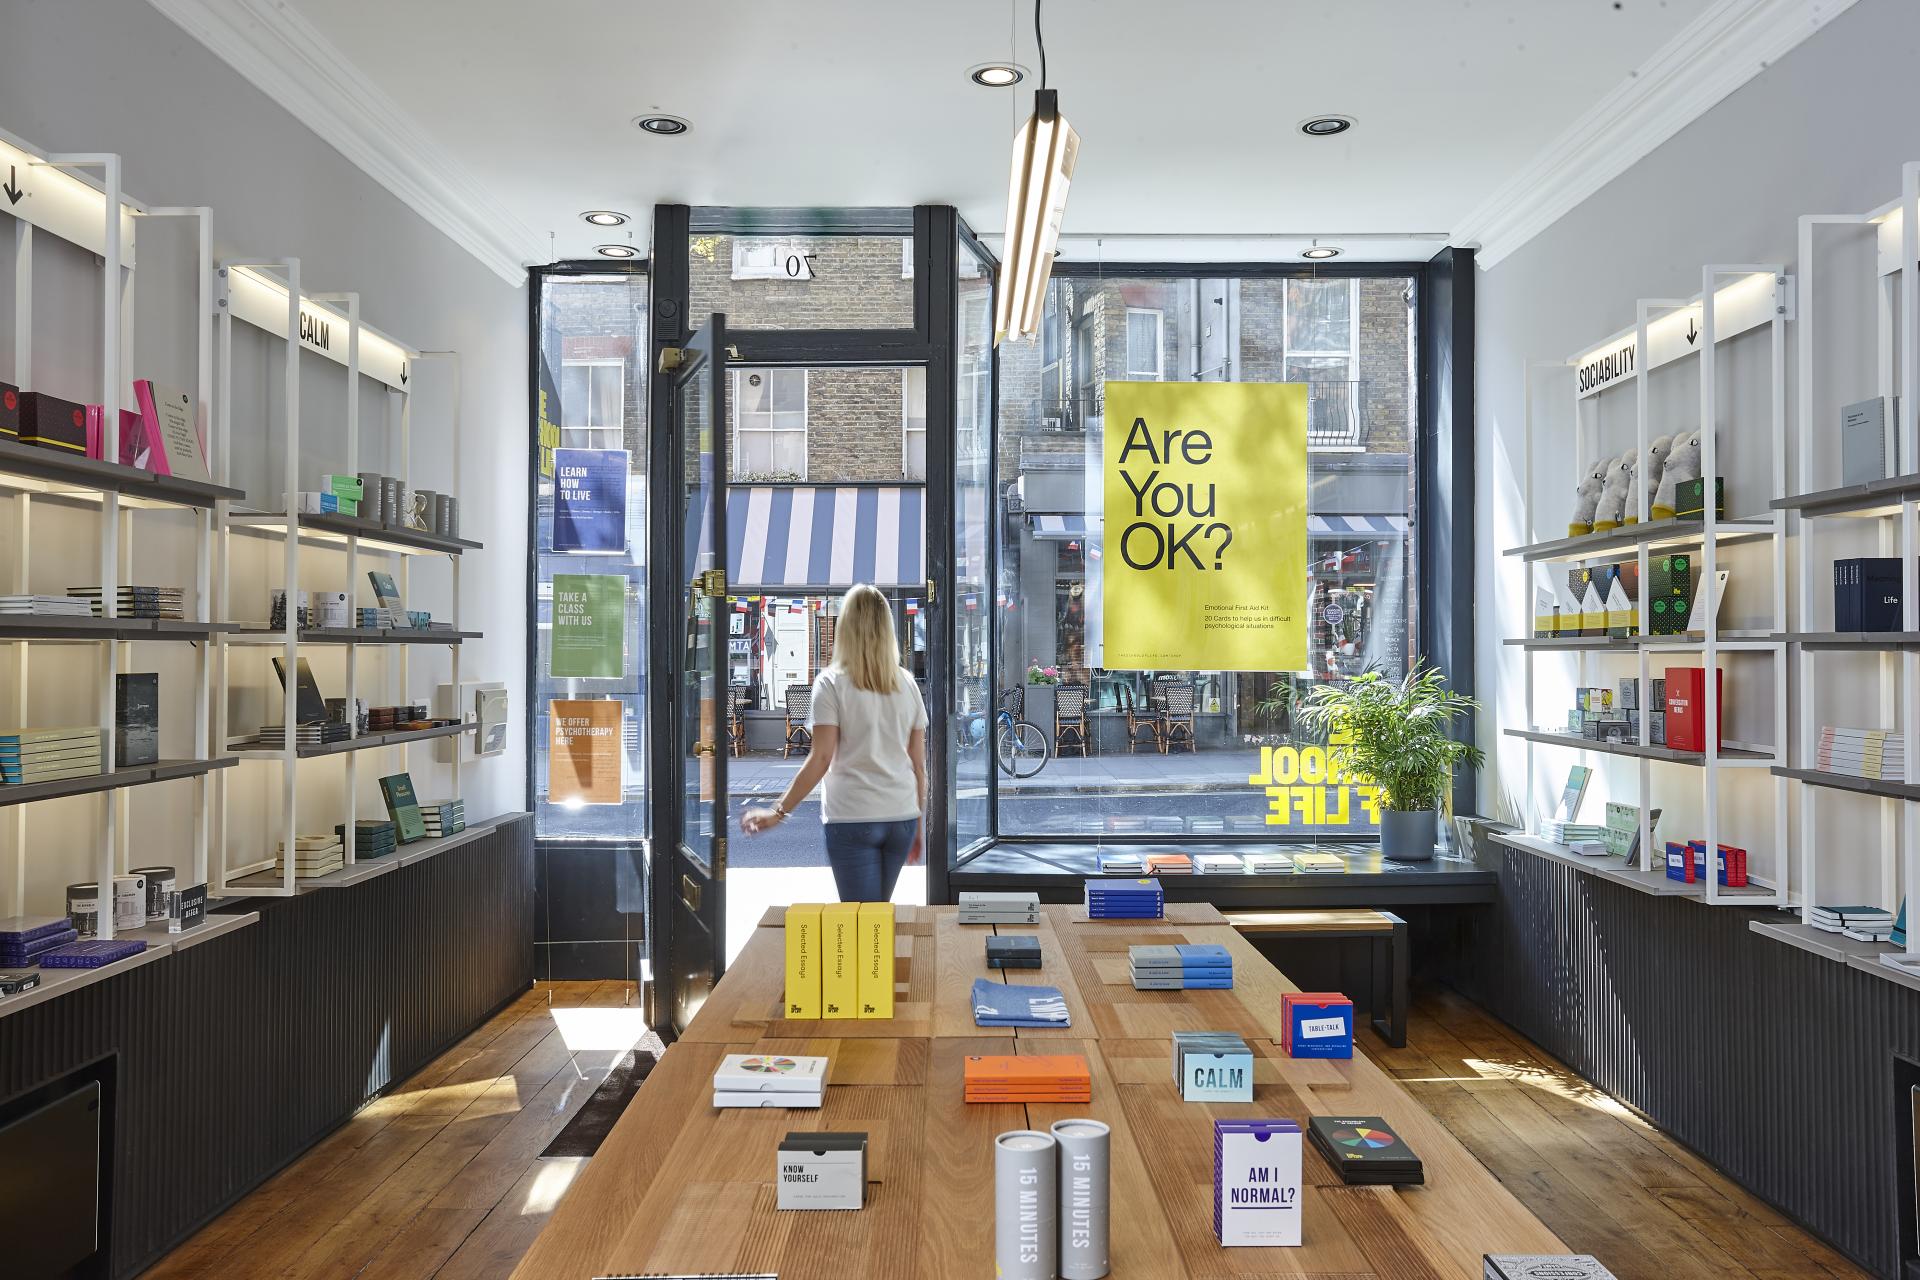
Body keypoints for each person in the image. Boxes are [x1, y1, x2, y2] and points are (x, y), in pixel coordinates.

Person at [742, 583, 928, 902]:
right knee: (876, 919)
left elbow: (821, 758)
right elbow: (919, 767)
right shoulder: (907, 684)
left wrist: (778, 811)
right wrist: (919, 824)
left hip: (853, 816)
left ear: (844, 628)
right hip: (901, 817)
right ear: (887, 629)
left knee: (861, 924)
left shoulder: (830, 683)